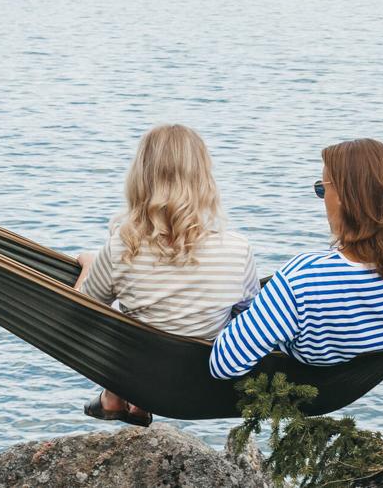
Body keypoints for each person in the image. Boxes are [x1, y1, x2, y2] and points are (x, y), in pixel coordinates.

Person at [209, 138, 383, 380]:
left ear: (344, 197)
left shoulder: (304, 279)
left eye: (322, 189)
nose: (321, 198)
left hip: (306, 373)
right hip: (360, 370)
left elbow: (225, 363)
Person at [76, 124, 256, 425]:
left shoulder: (121, 247)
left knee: (121, 316)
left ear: (140, 178)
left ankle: (116, 395)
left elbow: (81, 310)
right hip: (203, 380)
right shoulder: (238, 250)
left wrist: (90, 266)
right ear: (203, 180)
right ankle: (127, 400)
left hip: (139, 374)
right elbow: (249, 317)